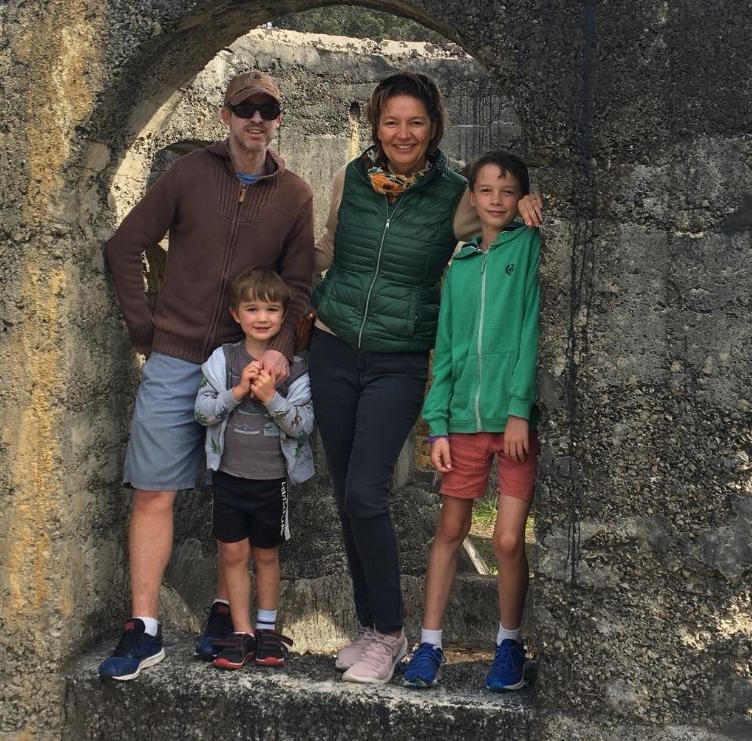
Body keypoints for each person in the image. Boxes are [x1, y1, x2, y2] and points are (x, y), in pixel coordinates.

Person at [309, 72, 543, 685]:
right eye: (391, 121)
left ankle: (390, 633)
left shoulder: (457, 193)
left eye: (415, 122)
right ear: (375, 125)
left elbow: (502, 217)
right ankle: (369, 626)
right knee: (343, 497)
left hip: (400, 357)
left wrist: (528, 205)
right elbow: (329, 249)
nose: (403, 133)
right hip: (332, 348)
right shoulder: (349, 179)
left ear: (434, 126)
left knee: (365, 491)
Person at [99, 71, 314, 681]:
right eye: (245, 107)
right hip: (176, 357)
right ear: (225, 115)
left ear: (278, 119)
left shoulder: (295, 195)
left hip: (244, 365)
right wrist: (146, 331)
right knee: (153, 490)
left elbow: (299, 290)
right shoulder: (189, 173)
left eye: (268, 109)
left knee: (241, 493)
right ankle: (144, 627)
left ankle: (228, 615)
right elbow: (125, 245)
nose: (256, 118)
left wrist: (281, 352)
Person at [401, 150, 540, 692]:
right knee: (450, 531)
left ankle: (509, 642)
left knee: (507, 539)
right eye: (485, 191)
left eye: (508, 191)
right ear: (472, 198)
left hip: (512, 425)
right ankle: (429, 644)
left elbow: (529, 327)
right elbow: (449, 348)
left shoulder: (528, 246)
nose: (497, 201)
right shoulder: (458, 266)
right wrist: (436, 423)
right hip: (460, 423)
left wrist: (518, 411)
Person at [193, 267, 314, 670]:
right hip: (229, 476)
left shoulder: (295, 368)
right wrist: (238, 392)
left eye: (272, 309)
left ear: (284, 317)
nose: (262, 317)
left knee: (266, 555)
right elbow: (202, 411)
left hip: (271, 481)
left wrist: (271, 399)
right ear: (235, 314)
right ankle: (240, 631)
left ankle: (266, 630)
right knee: (231, 553)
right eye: (252, 308)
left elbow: (303, 424)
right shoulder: (222, 359)